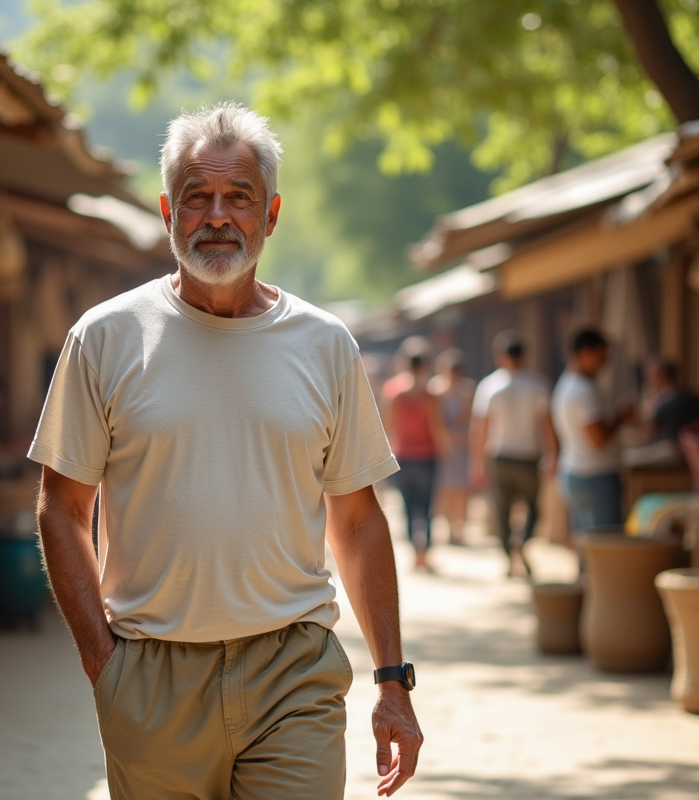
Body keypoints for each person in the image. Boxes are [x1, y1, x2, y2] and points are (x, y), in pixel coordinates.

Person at [30, 103, 422, 800]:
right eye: (196, 197)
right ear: (167, 211)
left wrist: (392, 681)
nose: (217, 216)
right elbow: (62, 508)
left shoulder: (325, 345)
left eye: (238, 197)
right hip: (151, 678)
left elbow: (358, 522)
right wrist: (104, 664)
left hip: (291, 672)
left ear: (269, 214)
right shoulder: (105, 338)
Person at [470, 332, 556, 578]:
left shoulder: (489, 386)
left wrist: (477, 463)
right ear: (524, 356)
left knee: (502, 510)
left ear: (500, 357)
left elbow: (481, 429)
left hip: (500, 456)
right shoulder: (538, 384)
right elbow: (546, 425)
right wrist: (552, 455)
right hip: (529, 456)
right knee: (533, 507)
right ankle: (522, 541)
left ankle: (510, 555)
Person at [551, 328, 633, 534]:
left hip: (575, 471)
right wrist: (621, 417)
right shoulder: (583, 390)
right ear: (586, 353)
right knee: (603, 546)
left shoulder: (567, 383)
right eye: (602, 356)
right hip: (594, 475)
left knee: (587, 545)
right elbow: (597, 439)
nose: (606, 362)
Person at [381, 337, 444, 571]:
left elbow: (387, 426)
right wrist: (445, 450)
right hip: (427, 456)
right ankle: (424, 554)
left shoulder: (393, 391)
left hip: (402, 456)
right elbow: (437, 427)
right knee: (426, 508)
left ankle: (414, 554)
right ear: (426, 364)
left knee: (407, 508)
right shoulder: (430, 394)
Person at [430, 348, 474, 547]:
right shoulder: (435, 388)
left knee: (461, 489)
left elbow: (469, 417)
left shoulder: (467, 390)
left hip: (463, 445)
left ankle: (459, 529)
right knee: (444, 489)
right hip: (442, 445)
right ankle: (448, 527)